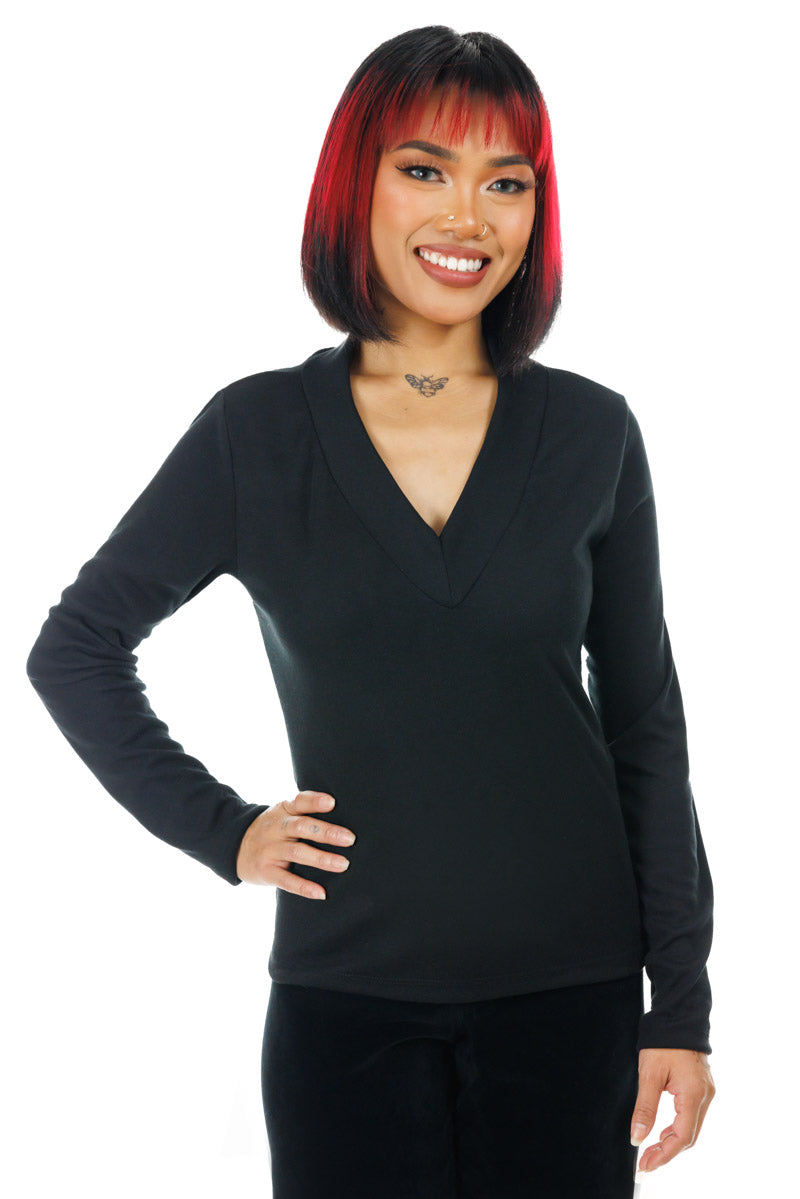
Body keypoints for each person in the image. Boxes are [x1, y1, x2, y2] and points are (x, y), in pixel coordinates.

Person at [25, 24, 716, 1199]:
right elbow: (76, 647)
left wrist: (680, 1007)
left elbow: (644, 727)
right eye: (424, 169)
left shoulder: (592, 432)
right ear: (358, 182)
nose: (467, 215)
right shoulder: (256, 433)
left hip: (575, 1002)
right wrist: (223, 829)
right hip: (343, 1006)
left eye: (505, 182)